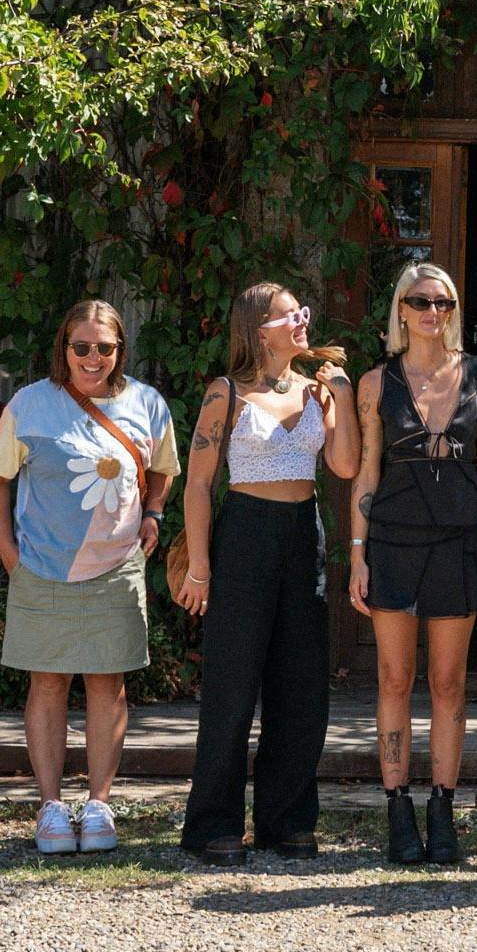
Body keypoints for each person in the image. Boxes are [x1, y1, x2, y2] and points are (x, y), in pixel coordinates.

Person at [0, 299, 176, 855]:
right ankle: (50, 806)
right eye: (82, 347)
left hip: (116, 568)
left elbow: (163, 468)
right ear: (64, 349)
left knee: (107, 685)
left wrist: (154, 512)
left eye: (105, 348)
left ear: (120, 350)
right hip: (43, 567)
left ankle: (98, 805)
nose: (93, 358)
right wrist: (7, 550)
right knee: (47, 683)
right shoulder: (30, 404)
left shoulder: (147, 403)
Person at [178, 282, 358, 865]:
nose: (304, 321)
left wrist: (340, 395)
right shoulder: (225, 393)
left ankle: (288, 821)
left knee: (303, 686)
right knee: (232, 685)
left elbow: (345, 465)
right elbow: (198, 485)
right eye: (290, 315)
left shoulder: (317, 390)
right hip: (244, 534)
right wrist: (200, 567)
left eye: (304, 312)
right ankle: (214, 824)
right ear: (259, 329)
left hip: (303, 534)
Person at [351, 261, 477, 865]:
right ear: (401, 309)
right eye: (420, 302)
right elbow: (367, 470)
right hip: (392, 540)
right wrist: (358, 553)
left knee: (448, 682)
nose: (432, 312)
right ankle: (398, 808)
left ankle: (443, 809)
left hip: (460, 538)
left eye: (443, 302)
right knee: (394, 678)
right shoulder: (375, 382)